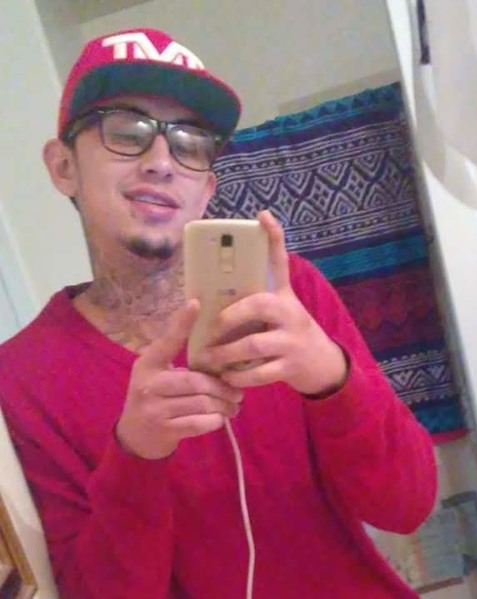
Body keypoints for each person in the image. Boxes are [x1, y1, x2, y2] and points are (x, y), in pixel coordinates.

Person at [0, 27, 437, 599]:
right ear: (62, 167)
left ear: (206, 188)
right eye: (126, 132)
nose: (162, 162)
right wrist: (136, 455)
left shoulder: (289, 294)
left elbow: (407, 507)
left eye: (189, 143)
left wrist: (333, 379)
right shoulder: (23, 377)